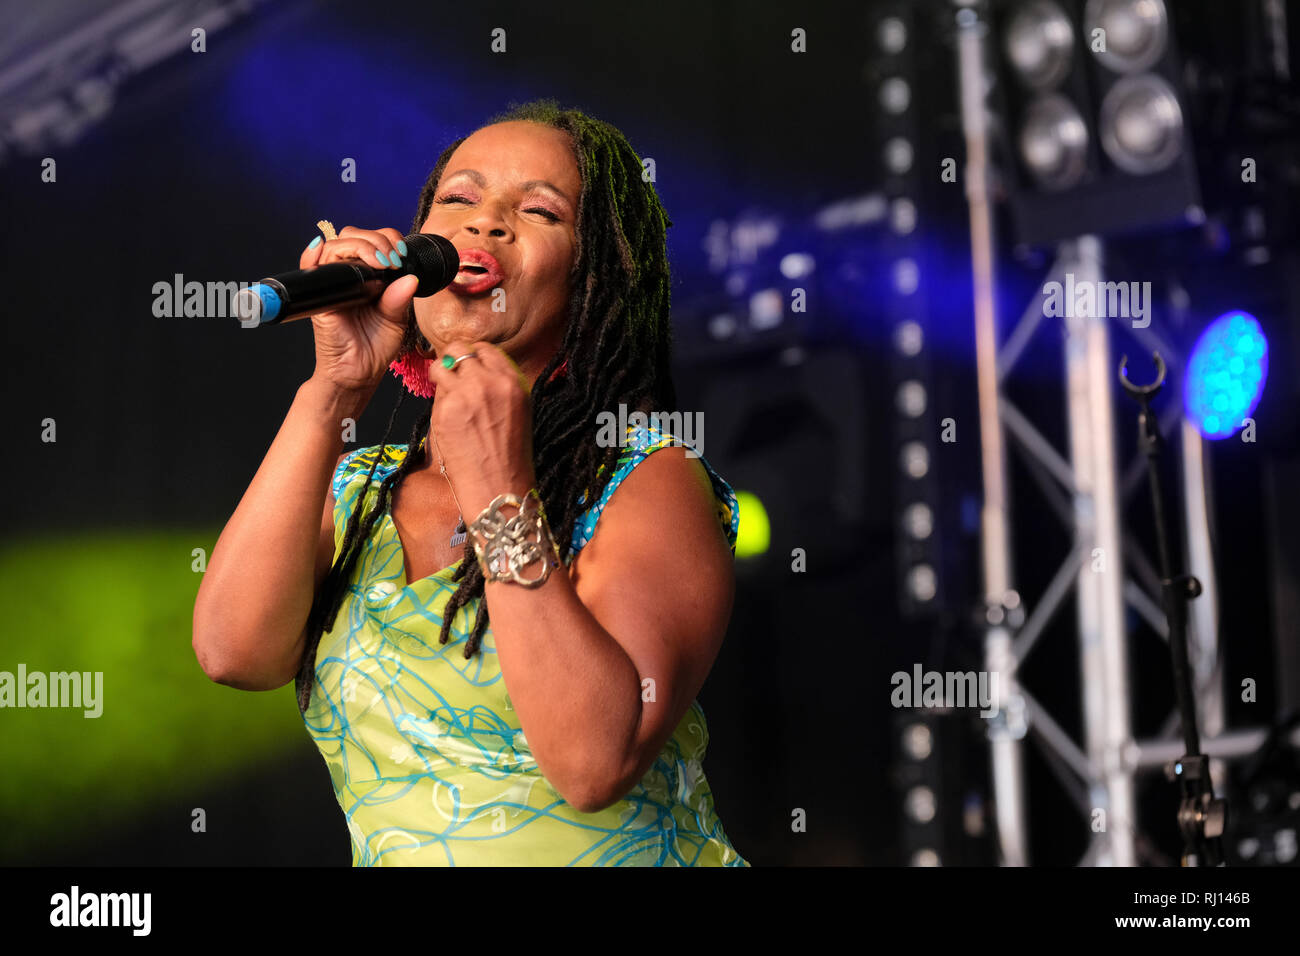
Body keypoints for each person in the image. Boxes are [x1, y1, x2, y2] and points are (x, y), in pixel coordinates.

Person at [193, 99, 748, 866]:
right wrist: (335, 390)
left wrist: (496, 484)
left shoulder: (648, 478)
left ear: (591, 278)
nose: (484, 223)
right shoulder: (361, 492)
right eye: (459, 198)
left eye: (540, 210)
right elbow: (233, 653)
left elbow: (594, 762)